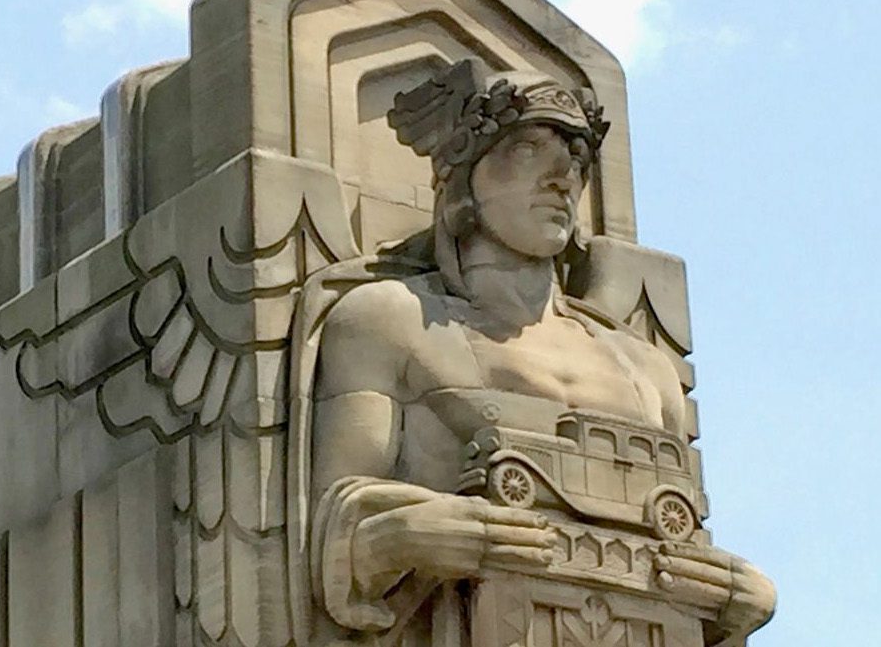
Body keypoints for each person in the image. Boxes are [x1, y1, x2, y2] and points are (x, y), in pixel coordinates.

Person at [298, 59, 774, 645]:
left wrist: (736, 594)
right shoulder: (389, 320)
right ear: (462, 177)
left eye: (575, 162)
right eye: (527, 149)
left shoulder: (646, 369)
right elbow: (333, 526)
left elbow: (678, 557)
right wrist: (420, 532)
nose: (561, 178)